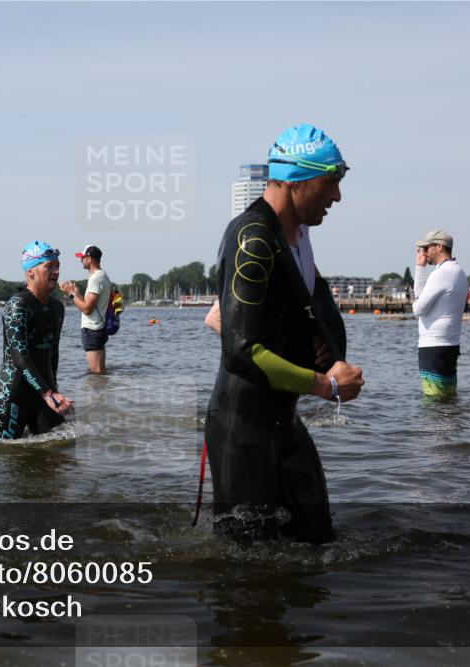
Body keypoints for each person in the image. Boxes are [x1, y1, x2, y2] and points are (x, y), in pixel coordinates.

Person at [205, 123, 364, 545]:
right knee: (245, 574)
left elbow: (317, 309)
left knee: (319, 541)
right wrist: (326, 385)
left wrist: (318, 343)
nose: (337, 196)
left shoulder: (295, 236)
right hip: (242, 433)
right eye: (330, 182)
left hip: (284, 423)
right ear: (298, 178)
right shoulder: (253, 237)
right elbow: (239, 351)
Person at [0, 241, 73, 439]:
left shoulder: (57, 308)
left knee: (59, 454)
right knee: (6, 459)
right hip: (11, 395)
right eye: (49, 266)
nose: (56, 271)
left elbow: (53, 354)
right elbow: (20, 357)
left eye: (57, 266)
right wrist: (47, 393)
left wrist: (54, 391)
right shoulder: (17, 306)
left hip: (44, 390)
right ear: (31, 272)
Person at [413, 231, 468, 398]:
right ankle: (452, 424)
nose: (423, 252)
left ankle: (440, 425)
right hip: (449, 344)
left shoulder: (441, 273)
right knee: (447, 397)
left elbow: (417, 308)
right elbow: (420, 295)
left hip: (434, 346)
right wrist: (420, 268)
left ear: (439, 247)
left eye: (427, 247)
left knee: (434, 400)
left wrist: (419, 269)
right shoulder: (458, 271)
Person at [59, 245, 112, 374]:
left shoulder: (96, 278)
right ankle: (102, 393)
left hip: (93, 329)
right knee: (100, 371)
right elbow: (90, 304)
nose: (81, 260)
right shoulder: (102, 276)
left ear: (89, 258)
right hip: (98, 328)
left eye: (82, 257)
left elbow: (87, 309)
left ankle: (96, 394)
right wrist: (76, 293)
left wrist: (70, 294)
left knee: (96, 372)